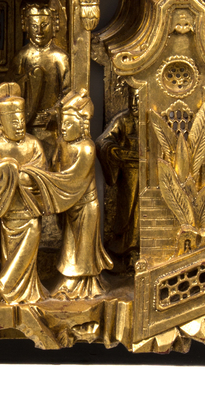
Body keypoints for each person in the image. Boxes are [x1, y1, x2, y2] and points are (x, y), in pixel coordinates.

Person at [0, 83, 48, 304]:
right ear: (1, 124)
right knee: (10, 252)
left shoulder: (33, 144)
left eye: (21, 121)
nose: (19, 126)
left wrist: (21, 175)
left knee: (32, 235)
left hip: (30, 209)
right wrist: (9, 167)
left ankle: (6, 286)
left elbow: (42, 173)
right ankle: (11, 291)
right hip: (10, 209)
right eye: (13, 122)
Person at [51, 90, 113, 299]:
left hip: (85, 206)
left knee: (82, 250)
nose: (63, 128)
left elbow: (74, 179)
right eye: (62, 123)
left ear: (82, 125)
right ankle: (69, 281)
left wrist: (50, 184)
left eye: (69, 124)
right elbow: (56, 166)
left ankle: (83, 284)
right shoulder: (62, 144)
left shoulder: (86, 148)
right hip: (69, 204)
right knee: (69, 246)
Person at [8, 1, 70, 162]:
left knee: (51, 162)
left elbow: (68, 92)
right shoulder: (22, 57)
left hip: (50, 126)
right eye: (34, 26)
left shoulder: (60, 58)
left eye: (44, 25)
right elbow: (12, 92)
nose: (39, 31)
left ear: (54, 25)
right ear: (26, 26)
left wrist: (55, 111)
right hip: (25, 125)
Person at [96, 93, 140, 267]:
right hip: (129, 172)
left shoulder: (153, 117)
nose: (135, 102)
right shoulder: (122, 120)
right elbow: (102, 141)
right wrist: (114, 150)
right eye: (132, 97)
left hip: (152, 172)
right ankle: (125, 251)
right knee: (128, 209)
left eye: (139, 97)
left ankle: (142, 251)